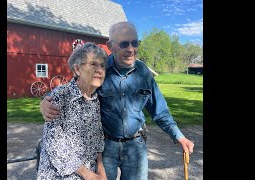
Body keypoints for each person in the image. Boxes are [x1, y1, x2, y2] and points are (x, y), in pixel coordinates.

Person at [40, 21, 194, 180]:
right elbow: (76, 87)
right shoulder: (100, 68)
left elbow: (160, 110)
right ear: (110, 45)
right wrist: (46, 101)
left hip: (136, 146)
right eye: (124, 44)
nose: (131, 49)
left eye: (135, 43)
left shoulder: (144, 73)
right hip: (106, 147)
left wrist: (179, 136)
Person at [36, 42, 108, 180]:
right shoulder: (61, 95)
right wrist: (88, 175)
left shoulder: (95, 99)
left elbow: (98, 139)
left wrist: (101, 170)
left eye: (102, 65)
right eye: (93, 64)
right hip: (59, 175)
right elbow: (54, 144)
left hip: (89, 173)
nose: (99, 70)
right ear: (77, 70)